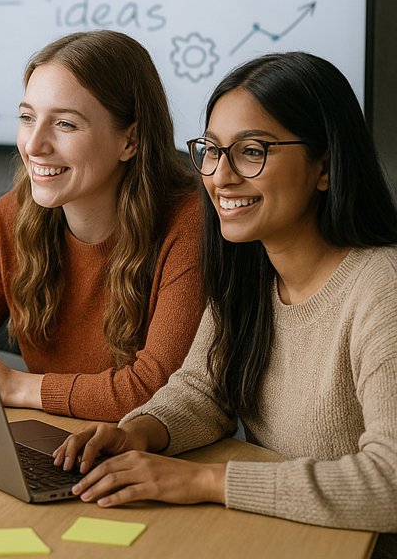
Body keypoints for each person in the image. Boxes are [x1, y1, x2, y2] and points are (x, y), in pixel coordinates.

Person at [57, 52, 397, 546]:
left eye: (252, 151)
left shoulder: (382, 287)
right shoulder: (250, 270)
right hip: (276, 535)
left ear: (324, 166)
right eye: (212, 150)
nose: (220, 176)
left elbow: (390, 483)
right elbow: (203, 391)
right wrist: (139, 432)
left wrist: (202, 481)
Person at [0, 30, 203, 421]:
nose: (34, 145)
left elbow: (157, 390)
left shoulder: (189, 225)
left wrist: (16, 386)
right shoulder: (12, 215)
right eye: (28, 118)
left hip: (140, 449)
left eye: (65, 124)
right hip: (51, 431)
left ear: (130, 141)